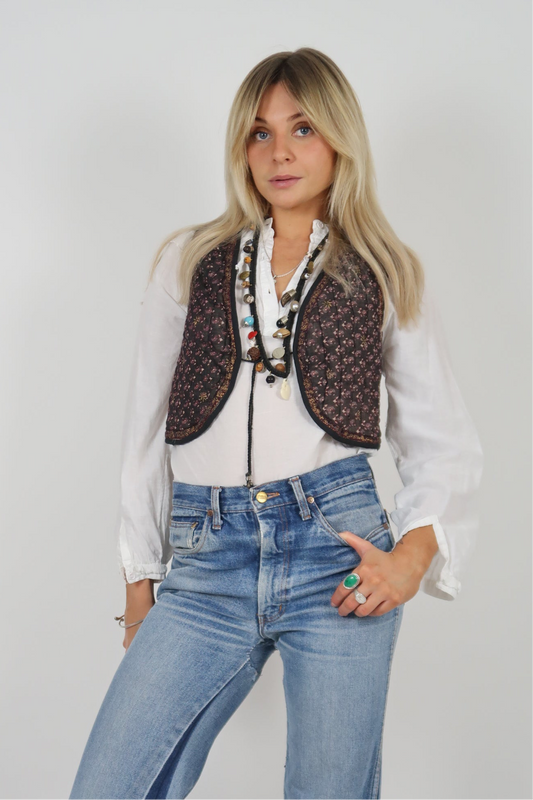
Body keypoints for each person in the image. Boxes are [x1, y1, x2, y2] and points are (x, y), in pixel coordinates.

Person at [68, 47, 483, 800]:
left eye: (302, 129)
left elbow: (440, 440)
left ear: (339, 139)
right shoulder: (189, 260)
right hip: (206, 558)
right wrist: (139, 586)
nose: (279, 152)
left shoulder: (383, 269)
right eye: (259, 133)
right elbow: (144, 432)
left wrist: (411, 558)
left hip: (337, 556)